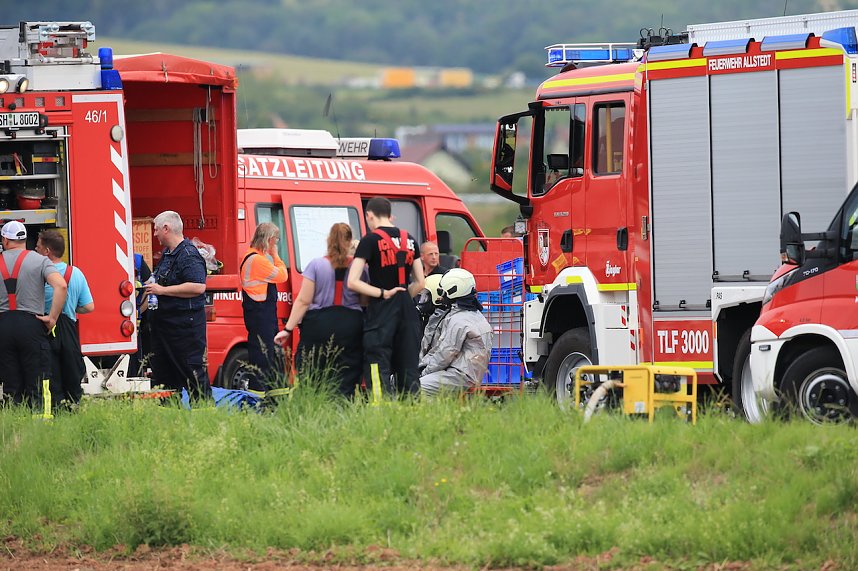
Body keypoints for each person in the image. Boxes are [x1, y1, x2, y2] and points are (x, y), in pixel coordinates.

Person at [348, 197, 425, 399]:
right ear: (390, 215)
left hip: (382, 310)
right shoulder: (410, 239)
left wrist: (383, 293)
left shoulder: (370, 240)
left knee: (377, 359)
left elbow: (353, 281)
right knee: (408, 363)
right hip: (407, 310)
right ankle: (411, 411)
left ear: (369, 215)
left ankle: (380, 408)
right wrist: (402, 295)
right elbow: (420, 282)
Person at [274, 223, 364, 398]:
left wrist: (287, 329)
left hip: (318, 326)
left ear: (329, 240)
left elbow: (303, 300)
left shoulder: (316, 265)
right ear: (350, 241)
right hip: (350, 326)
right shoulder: (360, 268)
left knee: (312, 376)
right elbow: (365, 301)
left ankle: (314, 410)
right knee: (345, 378)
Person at [143, 211, 211, 399]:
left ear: (167, 228)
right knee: (164, 377)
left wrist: (162, 291)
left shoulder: (188, 254)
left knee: (192, 375)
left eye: (156, 229)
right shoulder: (168, 254)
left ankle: (205, 418)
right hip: (165, 328)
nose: (155, 234)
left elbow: (198, 286)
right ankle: (170, 418)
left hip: (185, 330)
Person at [0, 221, 67, 412]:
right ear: (24, 239)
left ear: (5, 240)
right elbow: (61, 286)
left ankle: (16, 429)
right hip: (32, 324)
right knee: (37, 382)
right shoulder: (40, 261)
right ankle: (41, 426)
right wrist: (52, 318)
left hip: (3, 326)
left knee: (11, 386)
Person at [36, 230, 94, 405]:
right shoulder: (75, 273)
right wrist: (68, 306)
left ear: (47, 251)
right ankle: (73, 408)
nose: (35, 249)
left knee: (51, 377)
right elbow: (89, 306)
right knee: (71, 373)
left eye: (38, 247)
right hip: (69, 330)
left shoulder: (41, 274)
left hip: (45, 328)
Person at [419, 268, 492, 398]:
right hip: (467, 373)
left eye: (443, 292)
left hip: (460, 376)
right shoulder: (475, 315)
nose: (441, 296)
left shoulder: (458, 321)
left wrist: (423, 372)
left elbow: (444, 354)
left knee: (416, 387)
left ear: (453, 291)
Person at [240, 222, 288, 391]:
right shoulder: (258, 261)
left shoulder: (251, 256)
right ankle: (260, 400)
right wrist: (276, 256)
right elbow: (283, 275)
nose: (276, 244)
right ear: (268, 240)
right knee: (264, 360)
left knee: (270, 358)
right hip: (262, 318)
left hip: (260, 316)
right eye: (276, 240)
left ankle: (274, 396)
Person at [416, 273, 448, 358]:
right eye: (421, 296)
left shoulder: (443, 323)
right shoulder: (427, 319)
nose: (421, 301)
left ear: (437, 297)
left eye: (425, 296)